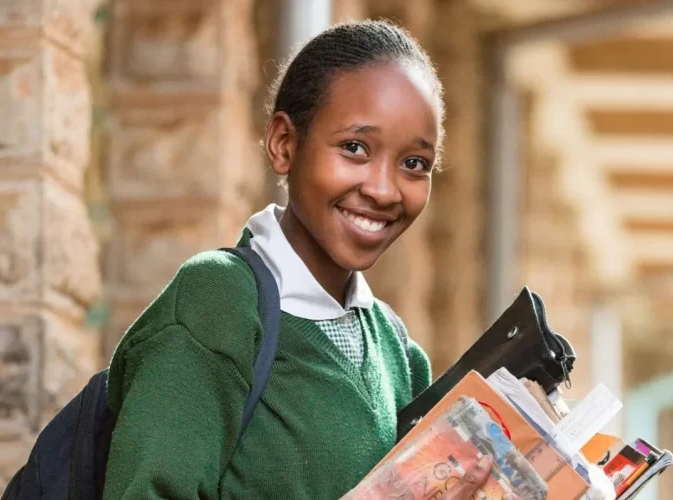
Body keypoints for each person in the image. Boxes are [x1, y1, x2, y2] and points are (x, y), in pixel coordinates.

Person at [103, 20, 492, 499]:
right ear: (284, 144)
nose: (384, 189)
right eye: (355, 148)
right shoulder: (220, 304)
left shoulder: (399, 356)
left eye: (414, 163)